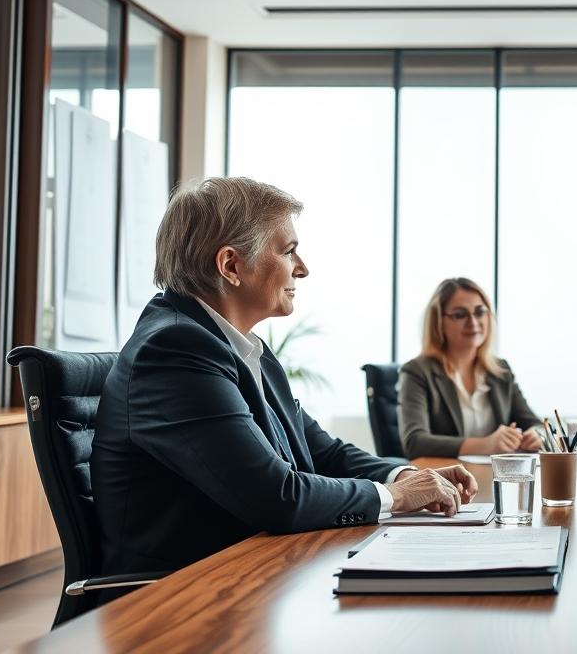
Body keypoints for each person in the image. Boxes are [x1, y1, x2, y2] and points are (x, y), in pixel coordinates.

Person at [92, 177, 476, 577]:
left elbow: (322, 452)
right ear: (231, 265)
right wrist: (395, 496)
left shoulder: (240, 346)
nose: (303, 268)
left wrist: (406, 476)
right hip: (186, 591)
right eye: (289, 251)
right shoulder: (175, 350)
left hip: (254, 567)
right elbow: (278, 496)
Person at [398, 278, 545, 458]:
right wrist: (485, 445)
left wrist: (537, 435)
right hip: (445, 474)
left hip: (494, 472)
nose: (473, 322)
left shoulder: (500, 370)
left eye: (480, 312)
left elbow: (535, 424)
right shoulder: (417, 371)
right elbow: (414, 442)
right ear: (438, 322)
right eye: (460, 315)